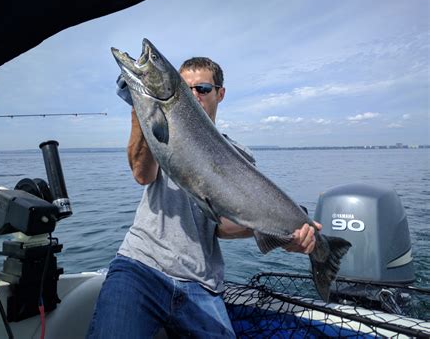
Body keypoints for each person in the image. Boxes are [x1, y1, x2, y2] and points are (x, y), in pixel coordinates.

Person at [87, 57, 322, 338]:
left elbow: (224, 228)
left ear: (220, 93)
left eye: (203, 88)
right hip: (140, 267)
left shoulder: (241, 157)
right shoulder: (164, 130)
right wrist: (141, 105)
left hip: (201, 284)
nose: (195, 95)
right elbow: (143, 174)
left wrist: (285, 237)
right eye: (188, 89)